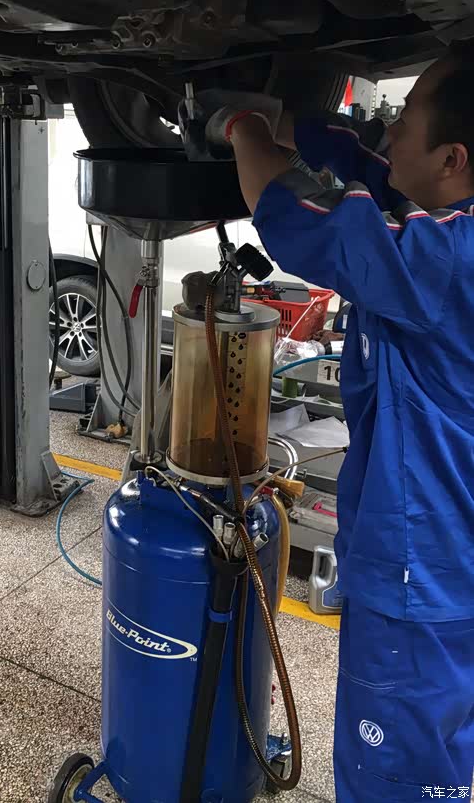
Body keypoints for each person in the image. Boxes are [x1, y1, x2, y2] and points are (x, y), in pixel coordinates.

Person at [203, 46, 474, 801]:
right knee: (442, 755)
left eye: (405, 116)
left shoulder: (443, 260)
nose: (391, 127)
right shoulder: (454, 230)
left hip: (418, 576)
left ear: (452, 159)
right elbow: (378, 171)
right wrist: (303, 123)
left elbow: (309, 225)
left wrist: (244, 127)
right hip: (455, 571)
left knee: (393, 777)